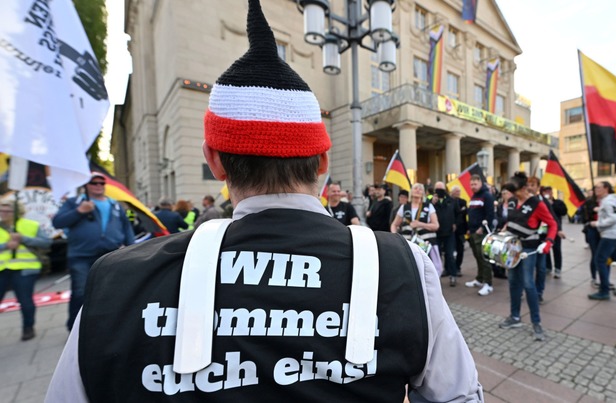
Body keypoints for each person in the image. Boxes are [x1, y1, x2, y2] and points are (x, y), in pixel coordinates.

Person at [45, 2, 483, 401]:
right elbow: (460, 396)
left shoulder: (115, 281)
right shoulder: (403, 267)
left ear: (214, 161)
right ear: (323, 161)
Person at [52, 171, 135, 331]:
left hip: (110, 255)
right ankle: (75, 328)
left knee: (110, 291)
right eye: (94, 183)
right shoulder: (74, 203)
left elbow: (126, 228)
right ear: (86, 185)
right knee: (80, 292)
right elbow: (58, 222)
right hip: (81, 256)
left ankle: (106, 324)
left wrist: (131, 248)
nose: (98, 186)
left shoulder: (114, 204)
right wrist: (79, 211)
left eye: (101, 183)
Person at [498, 173, 557, 342]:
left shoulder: (538, 204)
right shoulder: (512, 201)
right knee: (513, 282)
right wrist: (505, 228)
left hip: (528, 249)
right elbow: (510, 221)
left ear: (524, 188)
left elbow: (552, 224)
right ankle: (515, 317)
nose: (512, 195)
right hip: (513, 248)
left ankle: (536, 323)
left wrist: (548, 242)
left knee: (528, 284)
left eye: (515, 191)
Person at [0, 200, 52, 341]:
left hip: (26, 268)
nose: (3, 213)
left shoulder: (31, 225)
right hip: (2, 268)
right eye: (1, 210)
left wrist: (24, 238)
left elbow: (46, 242)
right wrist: (6, 245)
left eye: (7, 210)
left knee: (25, 300)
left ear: (17, 211)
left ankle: (28, 328)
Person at [588, 182, 616, 300]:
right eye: (595, 187)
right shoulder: (611, 200)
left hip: (610, 235)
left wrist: (596, 223)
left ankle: (604, 291)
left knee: (600, 260)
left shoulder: (608, 201)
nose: (596, 189)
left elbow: (613, 218)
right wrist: (600, 210)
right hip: (614, 235)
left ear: (606, 189)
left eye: (598, 187)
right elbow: (614, 214)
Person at [391, 183, 442, 275]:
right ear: (411, 191)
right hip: (408, 243)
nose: (418, 190)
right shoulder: (404, 207)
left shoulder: (428, 206)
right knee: (409, 269)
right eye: (415, 188)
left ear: (423, 193)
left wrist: (420, 224)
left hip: (426, 244)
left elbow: (436, 225)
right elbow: (394, 224)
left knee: (428, 270)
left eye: (420, 188)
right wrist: (395, 236)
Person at [527, 176, 557, 304]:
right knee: (526, 268)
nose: (529, 187)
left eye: (532, 185)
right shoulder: (523, 201)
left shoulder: (543, 202)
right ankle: (528, 290)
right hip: (528, 240)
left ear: (538, 187)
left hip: (541, 239)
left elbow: (552, 219)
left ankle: (539, 292)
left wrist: (554, 234)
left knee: (541, 268)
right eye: (528, 185)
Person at [464, 174, 495, 296]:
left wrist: (482, 228)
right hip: (472, 232)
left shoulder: (486, 196)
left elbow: (490, 214)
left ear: (480, 183)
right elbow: (472, 214)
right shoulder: (474, 196)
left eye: (475, 184)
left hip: (481, 233)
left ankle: (488, 283)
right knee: (477, 257)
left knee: (484, 258)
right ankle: (480, 278)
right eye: (471, 184)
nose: (473, 186)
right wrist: (469, 229)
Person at [432, 181, 459, 286]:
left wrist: (455, 223)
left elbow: (458, 214)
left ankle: (453, 275)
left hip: (449, 233)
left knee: (450, 254)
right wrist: (431, 203)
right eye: (437, 189)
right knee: (436, 256)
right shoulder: (430, 201)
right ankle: (437, 277)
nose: (440, 192)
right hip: (436, 233)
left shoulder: (451, 201)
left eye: (441, 189)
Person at [540, 186, 567, 279]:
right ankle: (548, 266)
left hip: (555, 229)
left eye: (549, 191)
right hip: (543, 229)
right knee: (545, 248)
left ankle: (558, 269)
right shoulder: (541, 202)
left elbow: (563, 212)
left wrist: (552, 205)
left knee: (556, 249)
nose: (547, 193)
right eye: (545, 191)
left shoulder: (558, 202)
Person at [493, 185, 515, 279]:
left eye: (506, 193)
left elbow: (513, 217)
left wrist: (507, 224)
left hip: (510, 230)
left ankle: (509, 268)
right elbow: (497, 216)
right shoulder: (500, 205)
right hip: (501, 229)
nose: (504, 195)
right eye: (503, 193)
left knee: (510, 250)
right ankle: (500, 270)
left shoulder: (514, 204)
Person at [582, 188, 601, 288]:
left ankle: (604, 278)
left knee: (605, 256)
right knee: (595, 254)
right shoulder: (590, 202)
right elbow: (590, 212)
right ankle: (594, 277)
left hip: (604, 231)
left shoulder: (606, 201)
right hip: (593, 230)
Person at [450, 185, 467, 278]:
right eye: (456, 191)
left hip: (460, 230)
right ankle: (449, 268)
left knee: (460, 249)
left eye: (459, 191)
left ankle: (458, 267)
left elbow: (463, 214)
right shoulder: (448, 201)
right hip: (450, 230)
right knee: (449, 251)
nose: (458, 193)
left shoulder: (463, 202)